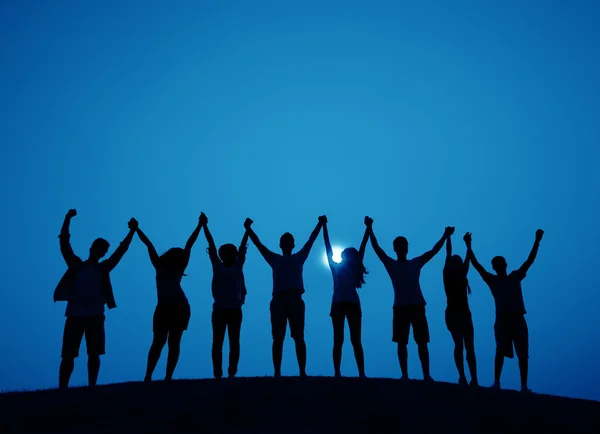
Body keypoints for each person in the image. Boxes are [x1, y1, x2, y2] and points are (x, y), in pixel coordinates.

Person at [54, 209, 137, 389]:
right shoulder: (76, 265)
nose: (101, 252)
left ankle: (92, 386)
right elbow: (64, 244)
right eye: (99, 248)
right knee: (68, 355)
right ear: (92, 248)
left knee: (94, 353)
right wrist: (67, 218)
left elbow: (120, 251)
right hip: (74, 315)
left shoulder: (103, 268)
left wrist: (132, 231)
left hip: (95, 315)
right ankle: (62, 388)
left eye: (104, 250)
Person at [368, 218, 453, 381]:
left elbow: (433, 251)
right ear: (395, 249)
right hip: (401, 307)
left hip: (417, 306)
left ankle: (426, 375)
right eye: (400, 246)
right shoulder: (391, 264)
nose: (402, 248)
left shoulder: (415, 263)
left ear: (407, 247)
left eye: (404, 245)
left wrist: (445, 236)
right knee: (402, 342)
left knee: (422, 342)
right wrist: (370, 228)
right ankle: (405, 374)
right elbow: (377, 249)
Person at [244, 216, 325, 377]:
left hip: (295, 299)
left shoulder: (298, 258)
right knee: (278, 338)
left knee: (299, 337)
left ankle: (302, 371)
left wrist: (320, 224)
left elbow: (311, 240)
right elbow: (259, 245)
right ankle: (277, 372)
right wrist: (248, 228)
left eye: (289, 242)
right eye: (284, 242)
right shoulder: (275, 259)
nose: (287, 244)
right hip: (279, 301)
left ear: (292, 245)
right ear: (281, 245)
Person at [465, 229, 544, 392]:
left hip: (517, 319)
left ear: (505, 265)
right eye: (496, 264)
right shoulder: (492, 280)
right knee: (500, 351)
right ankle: (497, 382)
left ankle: (523, 385)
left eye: (500, 263)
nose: (499, 266)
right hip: (502, 321)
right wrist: (468, 246)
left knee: (523, 354)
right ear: (494, 267)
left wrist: (537, 241)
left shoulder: (515, 276)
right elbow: (477, 265)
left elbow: (530, 261)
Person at [136, 214, 203, 382]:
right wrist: (137, 229)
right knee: (160, 343)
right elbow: (149, 244)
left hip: (178, 307)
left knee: (171, 343)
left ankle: (165, 377)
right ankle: (150, 376)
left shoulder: (171, 266)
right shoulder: (160, 265)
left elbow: (189, 244)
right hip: (167, 307)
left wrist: (199, 226)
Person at [322, 216, 371, 378]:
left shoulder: (353, 267)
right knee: (339, 340)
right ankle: (338, 372)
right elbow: (328, 247)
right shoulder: (335, 268)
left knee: (355, 340)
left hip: (350, 304)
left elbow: (363, 246)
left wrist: (368, 228)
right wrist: (324, 227)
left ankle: (361, 373)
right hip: (339, 304)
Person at [202, 213, 249, 379]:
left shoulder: (237, 266)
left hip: (234, 309)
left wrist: (247, 230)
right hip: (220, 309)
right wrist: (204, 226)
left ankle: (231, 371)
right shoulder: (218, 265)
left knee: (234, 342)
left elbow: (243, 248)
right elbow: (211, 245)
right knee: (218, 342)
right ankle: (218, 372)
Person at [443, 229, 478, 386]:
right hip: (458, 313)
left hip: (458, 313)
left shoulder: (454, 274)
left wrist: (466, 244)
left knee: (463, 346)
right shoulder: (452, 274)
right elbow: (462, 257)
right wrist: (466, 243)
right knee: (466, 346)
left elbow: (466, 258)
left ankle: (467, 377)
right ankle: (468, 377)